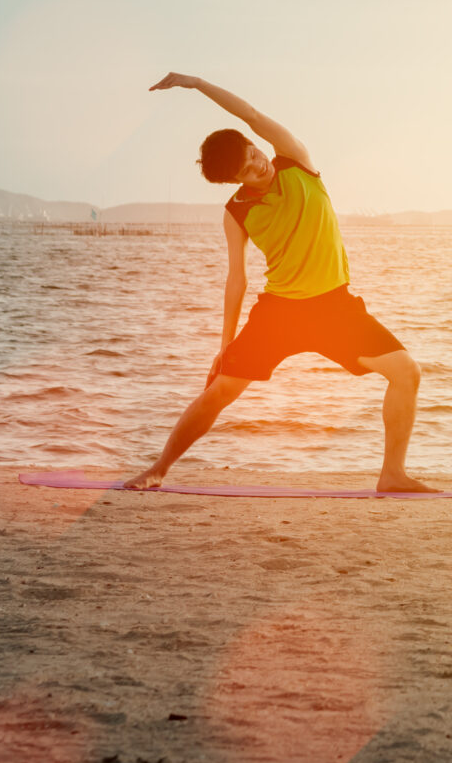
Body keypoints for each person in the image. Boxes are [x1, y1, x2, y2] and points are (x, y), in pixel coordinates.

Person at [123, 74, 431, 493]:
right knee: (219, 392)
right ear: (237, 180)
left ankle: (392, 475)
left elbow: (248, 113)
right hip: (280, 313)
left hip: (335, 308)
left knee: (406, 372)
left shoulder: (296, 161)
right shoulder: (237, 212)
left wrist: (195, 84)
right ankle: (158, 469)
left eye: (254, 153)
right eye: (248, 169)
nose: (258, 164)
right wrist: (225, 344)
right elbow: (237, 279)